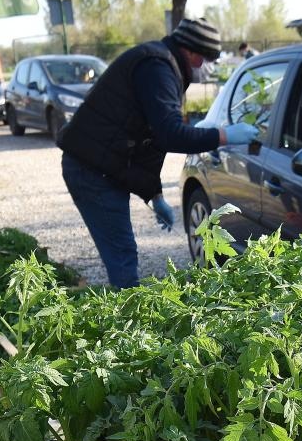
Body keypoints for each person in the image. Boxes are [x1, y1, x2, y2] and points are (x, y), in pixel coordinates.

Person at [58, 17, 258, 288]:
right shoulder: (158, 67)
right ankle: (125, 321)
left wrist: (155, 194)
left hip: (102, 165)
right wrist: (223, 136)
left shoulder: (165, 66)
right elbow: (170, 134)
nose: (208, 67)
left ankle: (123, 308)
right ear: (189, 51)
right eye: (206, 58)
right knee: (122, 252)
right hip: (91, 169)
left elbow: (150, 141)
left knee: (122, 251)